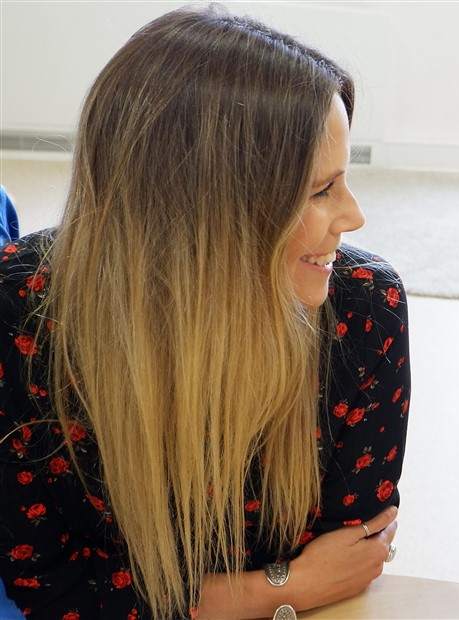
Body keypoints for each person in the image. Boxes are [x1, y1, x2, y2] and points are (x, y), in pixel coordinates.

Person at [0, 6, 410, 618]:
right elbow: (48, 584)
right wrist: (281, 586)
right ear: (207, 220)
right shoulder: (27, 313)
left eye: (343, 181)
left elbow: (349, 559)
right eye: (321, 190)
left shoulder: (365, 307)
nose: (353, 217)